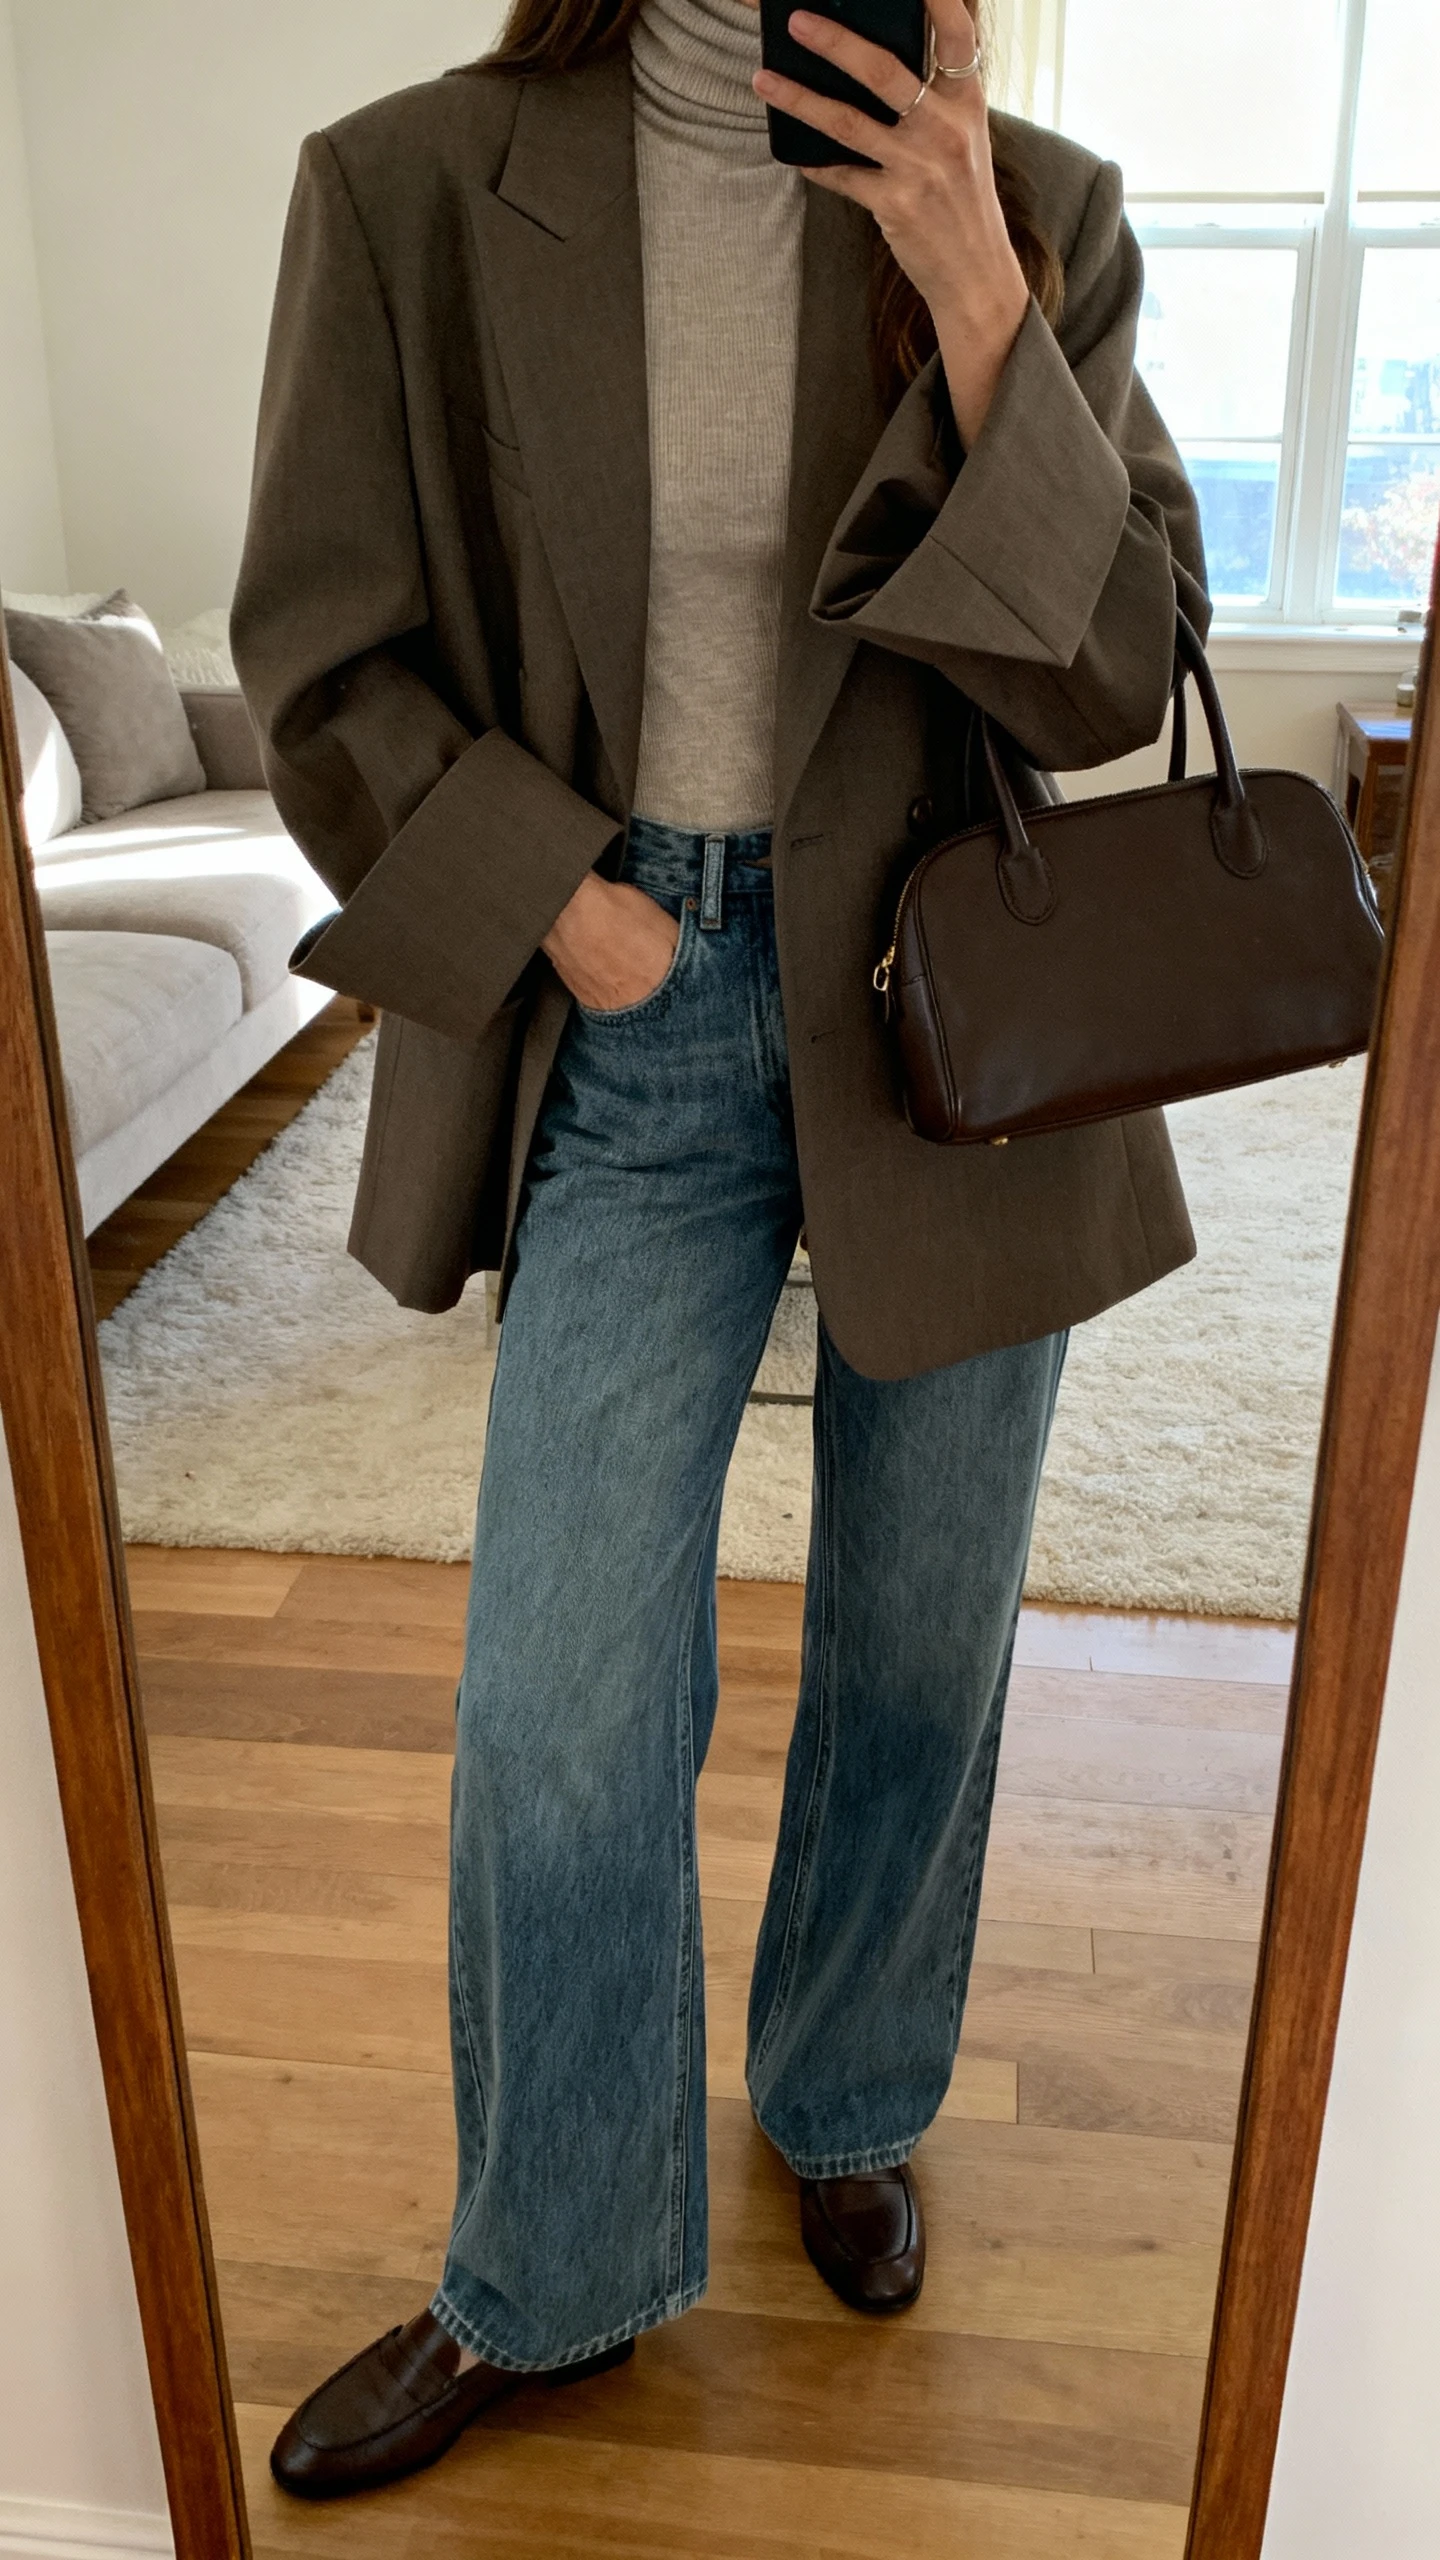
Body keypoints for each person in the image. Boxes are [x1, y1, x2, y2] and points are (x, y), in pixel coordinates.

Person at [233, 0, 1206, 2501]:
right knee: (554, 1706)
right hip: (630, 1010)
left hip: (955, 1008)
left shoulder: (1039, 203)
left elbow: (1113, 673)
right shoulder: (408, 190)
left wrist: (978, 292)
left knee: (921, 1635)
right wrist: (567, 910)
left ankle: (853, 2089)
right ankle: (548, 2256)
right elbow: (325, 660)